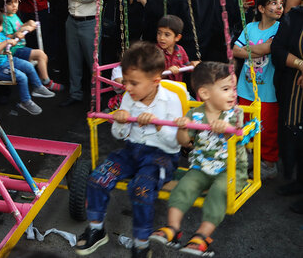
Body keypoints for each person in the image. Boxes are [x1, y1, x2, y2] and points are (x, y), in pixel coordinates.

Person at [74, 42, 181, 257]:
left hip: (160, 157)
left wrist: (159, 125)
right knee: (98, 179)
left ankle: (141, 244)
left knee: (140, 190)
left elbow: (174, 144)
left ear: (155, 81)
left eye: (134, 83)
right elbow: (118, 135)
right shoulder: (128, 97)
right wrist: (122, 122)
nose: (127, 87)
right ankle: (96, 229)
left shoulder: (171, 100)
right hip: (131, 152)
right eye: (126, 81)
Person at [150, 61, 246, 257]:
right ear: (205, 94)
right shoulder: (195, 114)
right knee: (184, 186)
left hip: (231, 169)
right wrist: (183, 128)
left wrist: (226, 131)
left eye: (234, 88)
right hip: (201, 167)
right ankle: (173, 228)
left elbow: (237, 135)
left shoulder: (236, 113)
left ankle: (202, 236)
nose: (233, 94)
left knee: (219, 191)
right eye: (226, 89)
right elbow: (185, 143)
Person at [233, 0, 283, 179]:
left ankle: (269, 164)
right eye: (273, 3)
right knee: (245, 125)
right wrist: (257, 51)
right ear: (261, 8)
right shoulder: (250, 27)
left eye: (280, 4)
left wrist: (249, 50)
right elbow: (235, 50)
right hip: (245, 88)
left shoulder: (280, 28)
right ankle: (247, 160)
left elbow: (268, 48)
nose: (278, 7)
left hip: (268, 90)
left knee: (267, 128)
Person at [0, 7, 54, 115]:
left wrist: (15, 35)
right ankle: (25, 101)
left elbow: (8, 38)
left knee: (28, 66)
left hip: (6, 62)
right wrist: (7, 42)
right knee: (22, 77)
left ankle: (38, 87)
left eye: (0, 25)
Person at [57, 0, 107, 107]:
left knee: (93, 63)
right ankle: (75, 94)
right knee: (74, 60)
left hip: (90, 23)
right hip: (71, 22)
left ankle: (96, 99)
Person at [0, 0, 62, 91]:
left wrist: (28, 23)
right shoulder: (4, 19)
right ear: (1, 6)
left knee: (42, 57)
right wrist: (17, 33)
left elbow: (20, 27)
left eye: (16, 2)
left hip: (20, 47)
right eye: (10, 3)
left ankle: (40, 81)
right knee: (40, 55)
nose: (14, 5)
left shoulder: (13, 15)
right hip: (14, 51)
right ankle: (45, 82)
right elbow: (5, 37)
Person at [271, 3, 303, 214]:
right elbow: (278, 50)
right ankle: (299, 182)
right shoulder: (295, 16)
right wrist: (301, 64)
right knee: (295, 133)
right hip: (293, 87)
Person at [156, 15, 193, 82]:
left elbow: (187, 66)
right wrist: (168, 71)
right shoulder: (155, 51)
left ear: (177, 37)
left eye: (167, 35)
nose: (161, 37)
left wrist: (193, 65)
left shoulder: (180, 50)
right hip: (161, 88)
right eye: (159, 33)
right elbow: (151, 75)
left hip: (177, 87)